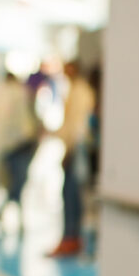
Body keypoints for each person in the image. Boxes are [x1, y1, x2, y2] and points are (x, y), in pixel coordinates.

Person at [47, 61, 96, 257]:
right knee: (69, 194)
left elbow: (77, 126)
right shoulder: (75, 90)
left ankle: (71, 238)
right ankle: (71, 237)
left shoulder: (81, 92)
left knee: (71, 194)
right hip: (74, 148)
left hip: (77, 149)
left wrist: (70, 151)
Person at [0, 71, 39, 229]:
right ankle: (8, 214)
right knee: (16, 183)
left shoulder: (8, 95)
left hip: (18, 147)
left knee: (16, 183)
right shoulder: (17, 94)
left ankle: (5, 213)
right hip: (18, 147)